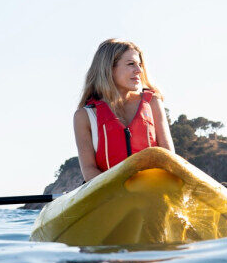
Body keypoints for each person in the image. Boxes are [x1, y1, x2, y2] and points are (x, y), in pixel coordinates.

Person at [74, 39, 174, 182]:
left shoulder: (153, 103)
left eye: (140, 65)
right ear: (109, 69)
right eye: (131, 64)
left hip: (153, 194)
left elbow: (169, 156)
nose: (139, 70)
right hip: (110, 197)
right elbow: (89, 169)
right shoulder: (84, 116)